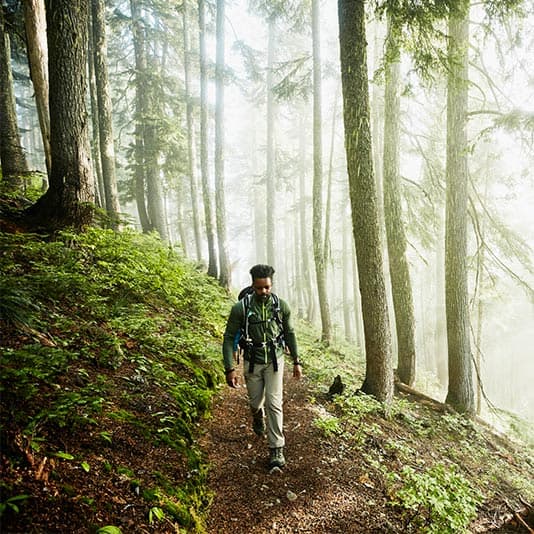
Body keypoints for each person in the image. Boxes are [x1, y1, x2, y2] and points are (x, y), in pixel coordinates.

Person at [222, 264, 302, 469]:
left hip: (275, 360)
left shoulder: (281, 306)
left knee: (274, 403)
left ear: (271, 284)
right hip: (251, 361)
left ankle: (276, 448)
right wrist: (229, 368)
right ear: (253, 285)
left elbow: (290, 333)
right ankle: (257, 416)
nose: (264, 292)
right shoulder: (241, 308)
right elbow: (229, 337)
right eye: (259, 288)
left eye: (267, 287)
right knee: (256, 401)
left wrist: (296, 361)